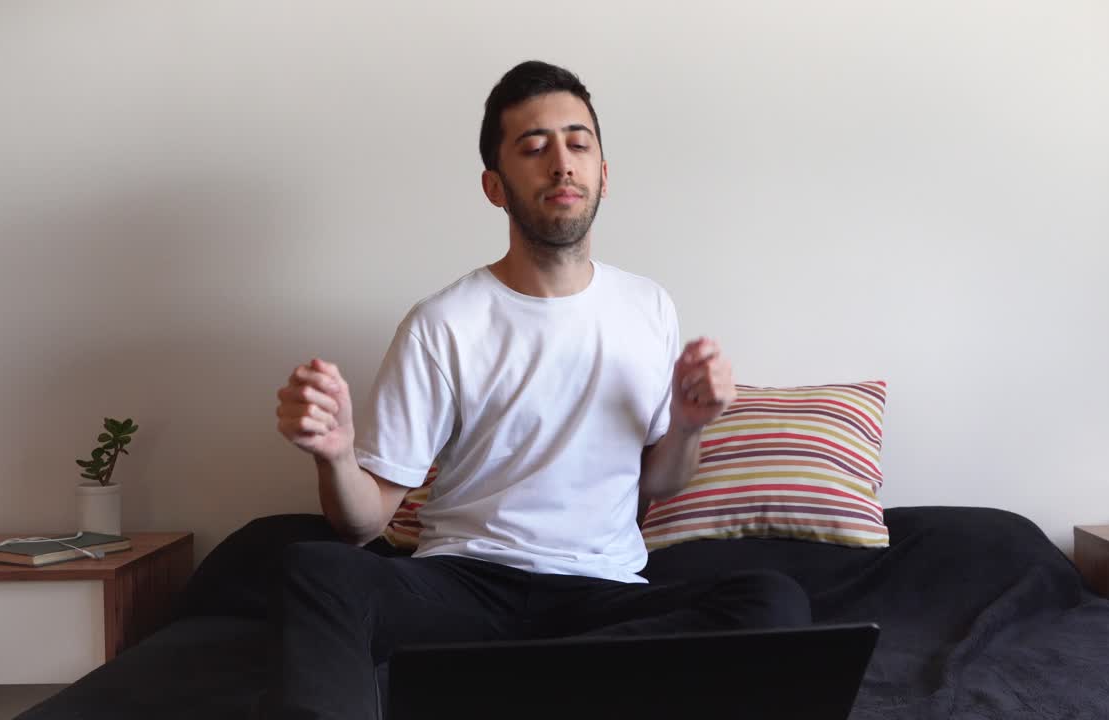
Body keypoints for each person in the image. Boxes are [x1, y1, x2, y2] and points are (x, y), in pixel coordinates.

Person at [264, 60, 811, 719]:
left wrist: (690, 424)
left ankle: (527, 679)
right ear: (495, 186)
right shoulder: (443, 323)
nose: (562, 163)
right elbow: (362, 524)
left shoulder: (649, 307)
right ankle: (570, 680)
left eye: (579, 143)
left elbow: (660, 482)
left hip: (603, 595)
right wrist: (337, 455)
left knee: (774, 600)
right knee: (316, 570)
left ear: (603, 174)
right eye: (534, 146)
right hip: (465, 588)